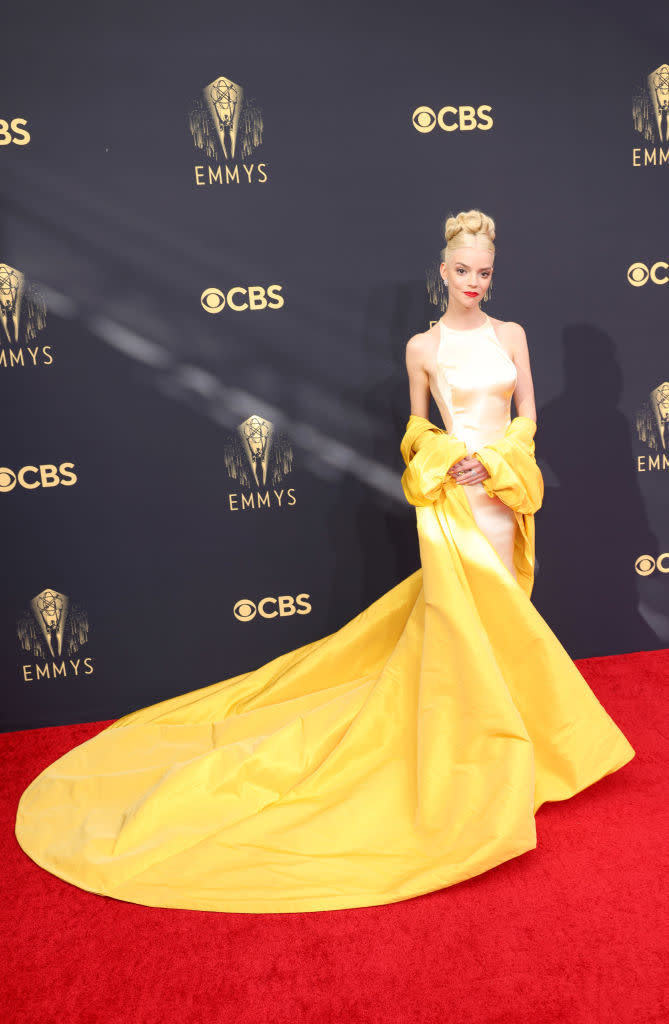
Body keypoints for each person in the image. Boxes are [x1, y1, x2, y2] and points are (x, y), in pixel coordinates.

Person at [15, 210, 635, 914]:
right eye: (462, 271)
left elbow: (525, 415)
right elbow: (412, 429)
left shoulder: (512, 335)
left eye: (484, 273)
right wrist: (443, 457)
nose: (473, 282)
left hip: (498, 495)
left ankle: (517, 740)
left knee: (505, 618)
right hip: (452, 505)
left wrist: (494, 460)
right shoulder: (421, 348)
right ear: (442, 272)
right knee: (465, 622)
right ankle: (473, 755)